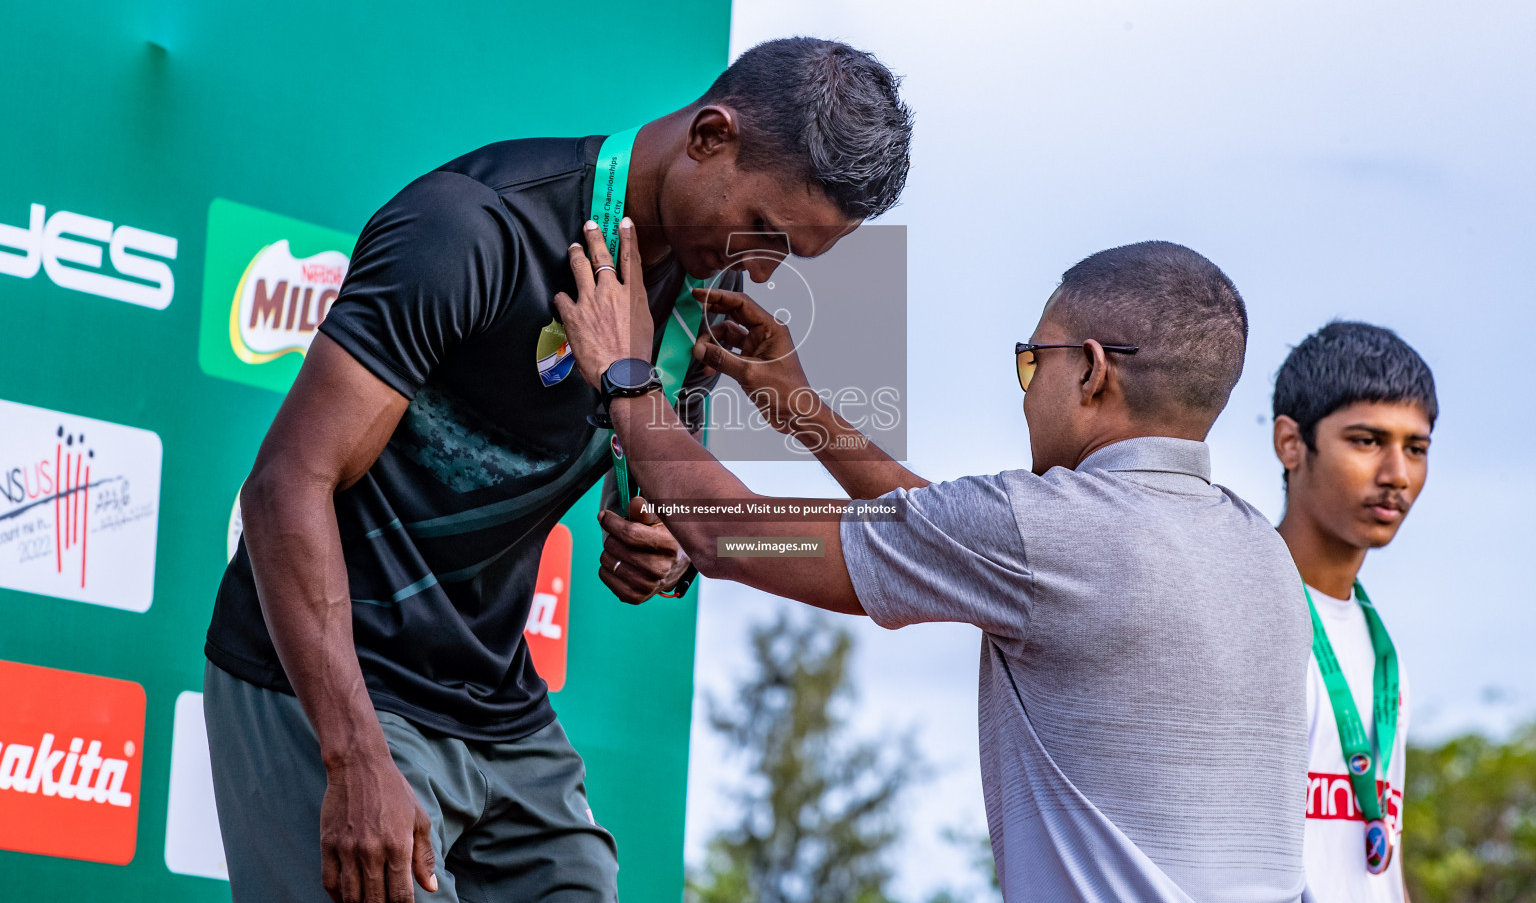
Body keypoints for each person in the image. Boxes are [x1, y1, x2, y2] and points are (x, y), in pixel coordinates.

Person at [201, 36, 914, 903]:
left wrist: (665, 551)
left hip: (495, 705)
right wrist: (351, 755)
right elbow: (283, 486)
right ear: (709, 136)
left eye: (789, 256)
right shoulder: (470, 226)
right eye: (763, 230)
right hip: (342, 681)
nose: (759, 268)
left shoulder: (692, 301)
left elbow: (699, 522)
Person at [554, 235, 1313, 901]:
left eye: (1031, 361)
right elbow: (943, 541)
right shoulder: (1260, 553)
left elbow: (744, 538)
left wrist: (627, 376)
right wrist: (806, 414)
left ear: (1089, 372)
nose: (1025, 390)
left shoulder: (1044, 530)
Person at [1272, 322, 1437, 902]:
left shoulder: (1378, 644)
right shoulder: (1245, 616)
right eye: (1367, 441)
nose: (1397, 475)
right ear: (1291, 443)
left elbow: (1376, 862)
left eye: (1415, 448)